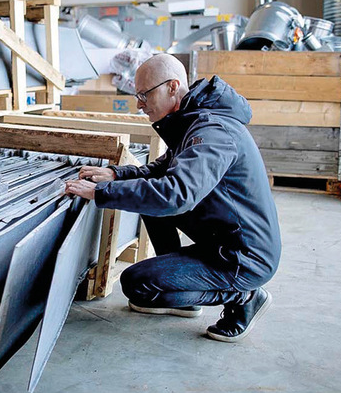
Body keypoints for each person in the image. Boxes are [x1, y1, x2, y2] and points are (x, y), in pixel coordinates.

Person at [65, 53, 280, 343]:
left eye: (143, 94)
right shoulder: (191, 119)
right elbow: (162, 169)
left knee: (136, 284)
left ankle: (244, 295)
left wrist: (102, 192)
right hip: (222, 239)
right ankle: (180, 288)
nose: (139, 104)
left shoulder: (212, 130)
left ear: (172, 86)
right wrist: (117, 176)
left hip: (241, 257)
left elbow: (177, 194)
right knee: (149, 195)